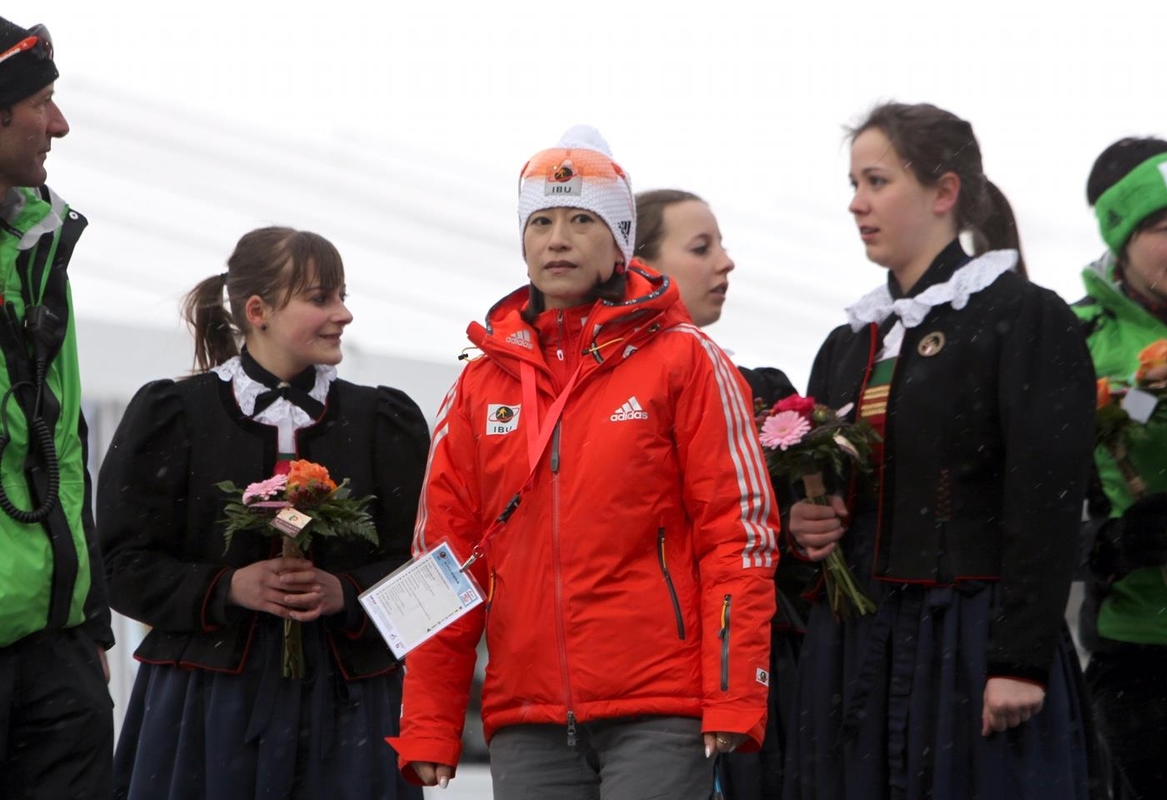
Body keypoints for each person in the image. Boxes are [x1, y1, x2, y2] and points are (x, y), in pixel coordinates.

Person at [392, 126, 779, 799]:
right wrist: (430, 720)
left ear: (619, 240)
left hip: (658, 707)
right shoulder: (481, 383)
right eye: (540, 221)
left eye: (581, 220)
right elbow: (444, 560)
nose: (557, 239)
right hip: (526, 714)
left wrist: (733, 692)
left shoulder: (685, 360)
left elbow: (736, 536)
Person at [790, 102, 1101, 799]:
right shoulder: (849, 343)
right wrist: (806, 522)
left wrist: (1019, 658)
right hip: (859, 642)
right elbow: (832, 494)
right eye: (853, 183)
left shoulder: (1022, 317)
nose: (856, 203)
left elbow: (1045, 497)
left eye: (876, 181)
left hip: (969, 635)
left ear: (944, 192)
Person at [98, 227, 429, 800]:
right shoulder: (174, 414)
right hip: (205, 705)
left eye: (342, 295)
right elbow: (121, 564)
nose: (343, 314)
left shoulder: (383, 421)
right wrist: (228, 586)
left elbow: (429, 568)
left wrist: (344, 593)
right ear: (259, 312)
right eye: (321, 298)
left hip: (348, 704)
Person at [635, 188, 809, 799]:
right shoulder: (590, 403)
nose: (725, 263)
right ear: (641, 268)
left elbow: (767, 544)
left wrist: (807, 529)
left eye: (722, 246)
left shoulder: (761, 390)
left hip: (756, 666)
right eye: (701, 247)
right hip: (653, 674)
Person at [0, 16, 115, 799]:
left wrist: (92, 620)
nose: (60, 124)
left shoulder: (44, 249)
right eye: (41, 101)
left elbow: (63, 449)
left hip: (58, 648)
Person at [1073, 136, 1167, 798]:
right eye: (1163, 225)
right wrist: (1109, 545)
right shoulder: (1074, 339)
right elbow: (1027, 505)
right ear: (1120, 236)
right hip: (1140, 660)